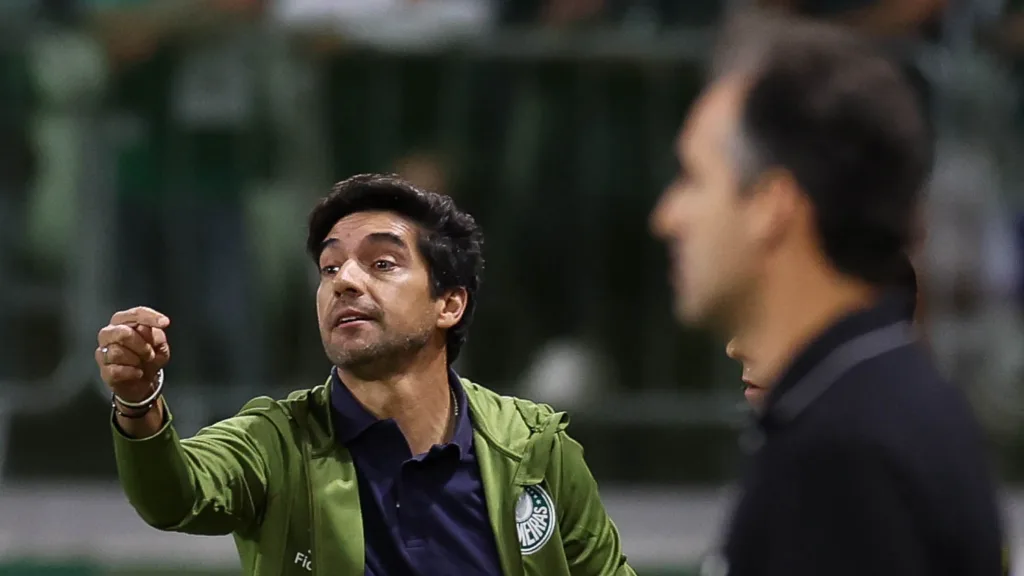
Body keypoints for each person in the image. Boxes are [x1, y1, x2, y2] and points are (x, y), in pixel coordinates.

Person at [96, 174, 636, 576]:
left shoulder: (533, 447)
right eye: (330, 268)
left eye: (381, 263)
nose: (344, 281)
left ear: (448, 303)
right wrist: (140, 403)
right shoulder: (276, 442)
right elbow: (174, 497)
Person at [649, 13, 1005, 576]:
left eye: (693, 178)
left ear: (772, 205)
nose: (666, 217)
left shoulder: (848, 452)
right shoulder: (857, 400)